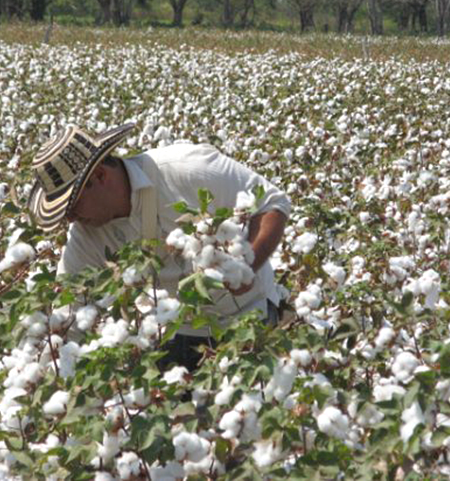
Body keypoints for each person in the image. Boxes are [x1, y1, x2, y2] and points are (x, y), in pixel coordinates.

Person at [28, 123, 291, 370]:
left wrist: (245, 266)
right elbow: (68, 310)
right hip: (175, 332)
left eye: (71, 205)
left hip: (247, 317)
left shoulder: (187, 168)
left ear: (99, 176)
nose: (70, 218)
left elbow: (271, 204)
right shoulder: (86, 236)